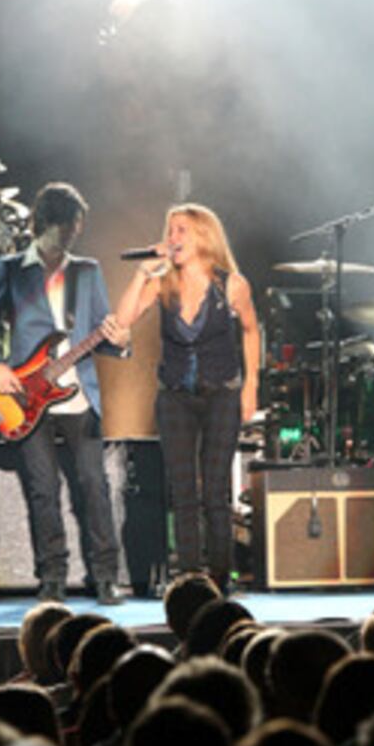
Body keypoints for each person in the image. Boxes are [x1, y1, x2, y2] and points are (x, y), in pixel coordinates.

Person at [0, 182, 130, 605]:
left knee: (94, 485)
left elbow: (102, 334)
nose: (71, 237)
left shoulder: (87, 271)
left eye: (74, 228)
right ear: (44, 225)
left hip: (78, 394)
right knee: (43, 490)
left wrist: (121, 341)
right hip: (25, 397)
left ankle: (106, 576)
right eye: (64, 230)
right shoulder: (11, 269)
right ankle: (51, 577)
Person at [115, 204, 260, 591]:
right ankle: (191, 577)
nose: (172, 238)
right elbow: (123, 321)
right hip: (175, 396)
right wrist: (141, 273)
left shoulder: (232, 285)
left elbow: (251, 331)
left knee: (215, 490)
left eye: (181, 230)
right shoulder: (163, 283)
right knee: (182, 491)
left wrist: (251, 386)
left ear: (203, 236)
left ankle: (220, 577)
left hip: (221, 394)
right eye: (170, 230)